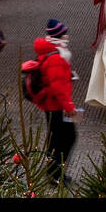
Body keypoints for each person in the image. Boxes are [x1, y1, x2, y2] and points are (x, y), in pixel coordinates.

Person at [24, 36, 78, 184]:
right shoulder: (54, 59)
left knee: (55, 140)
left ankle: (53, 172)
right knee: (66, 139)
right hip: (58, 107)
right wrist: (69, 107)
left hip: (50, 106)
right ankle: (55, 174)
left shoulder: (44, 57)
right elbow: (58, 87)